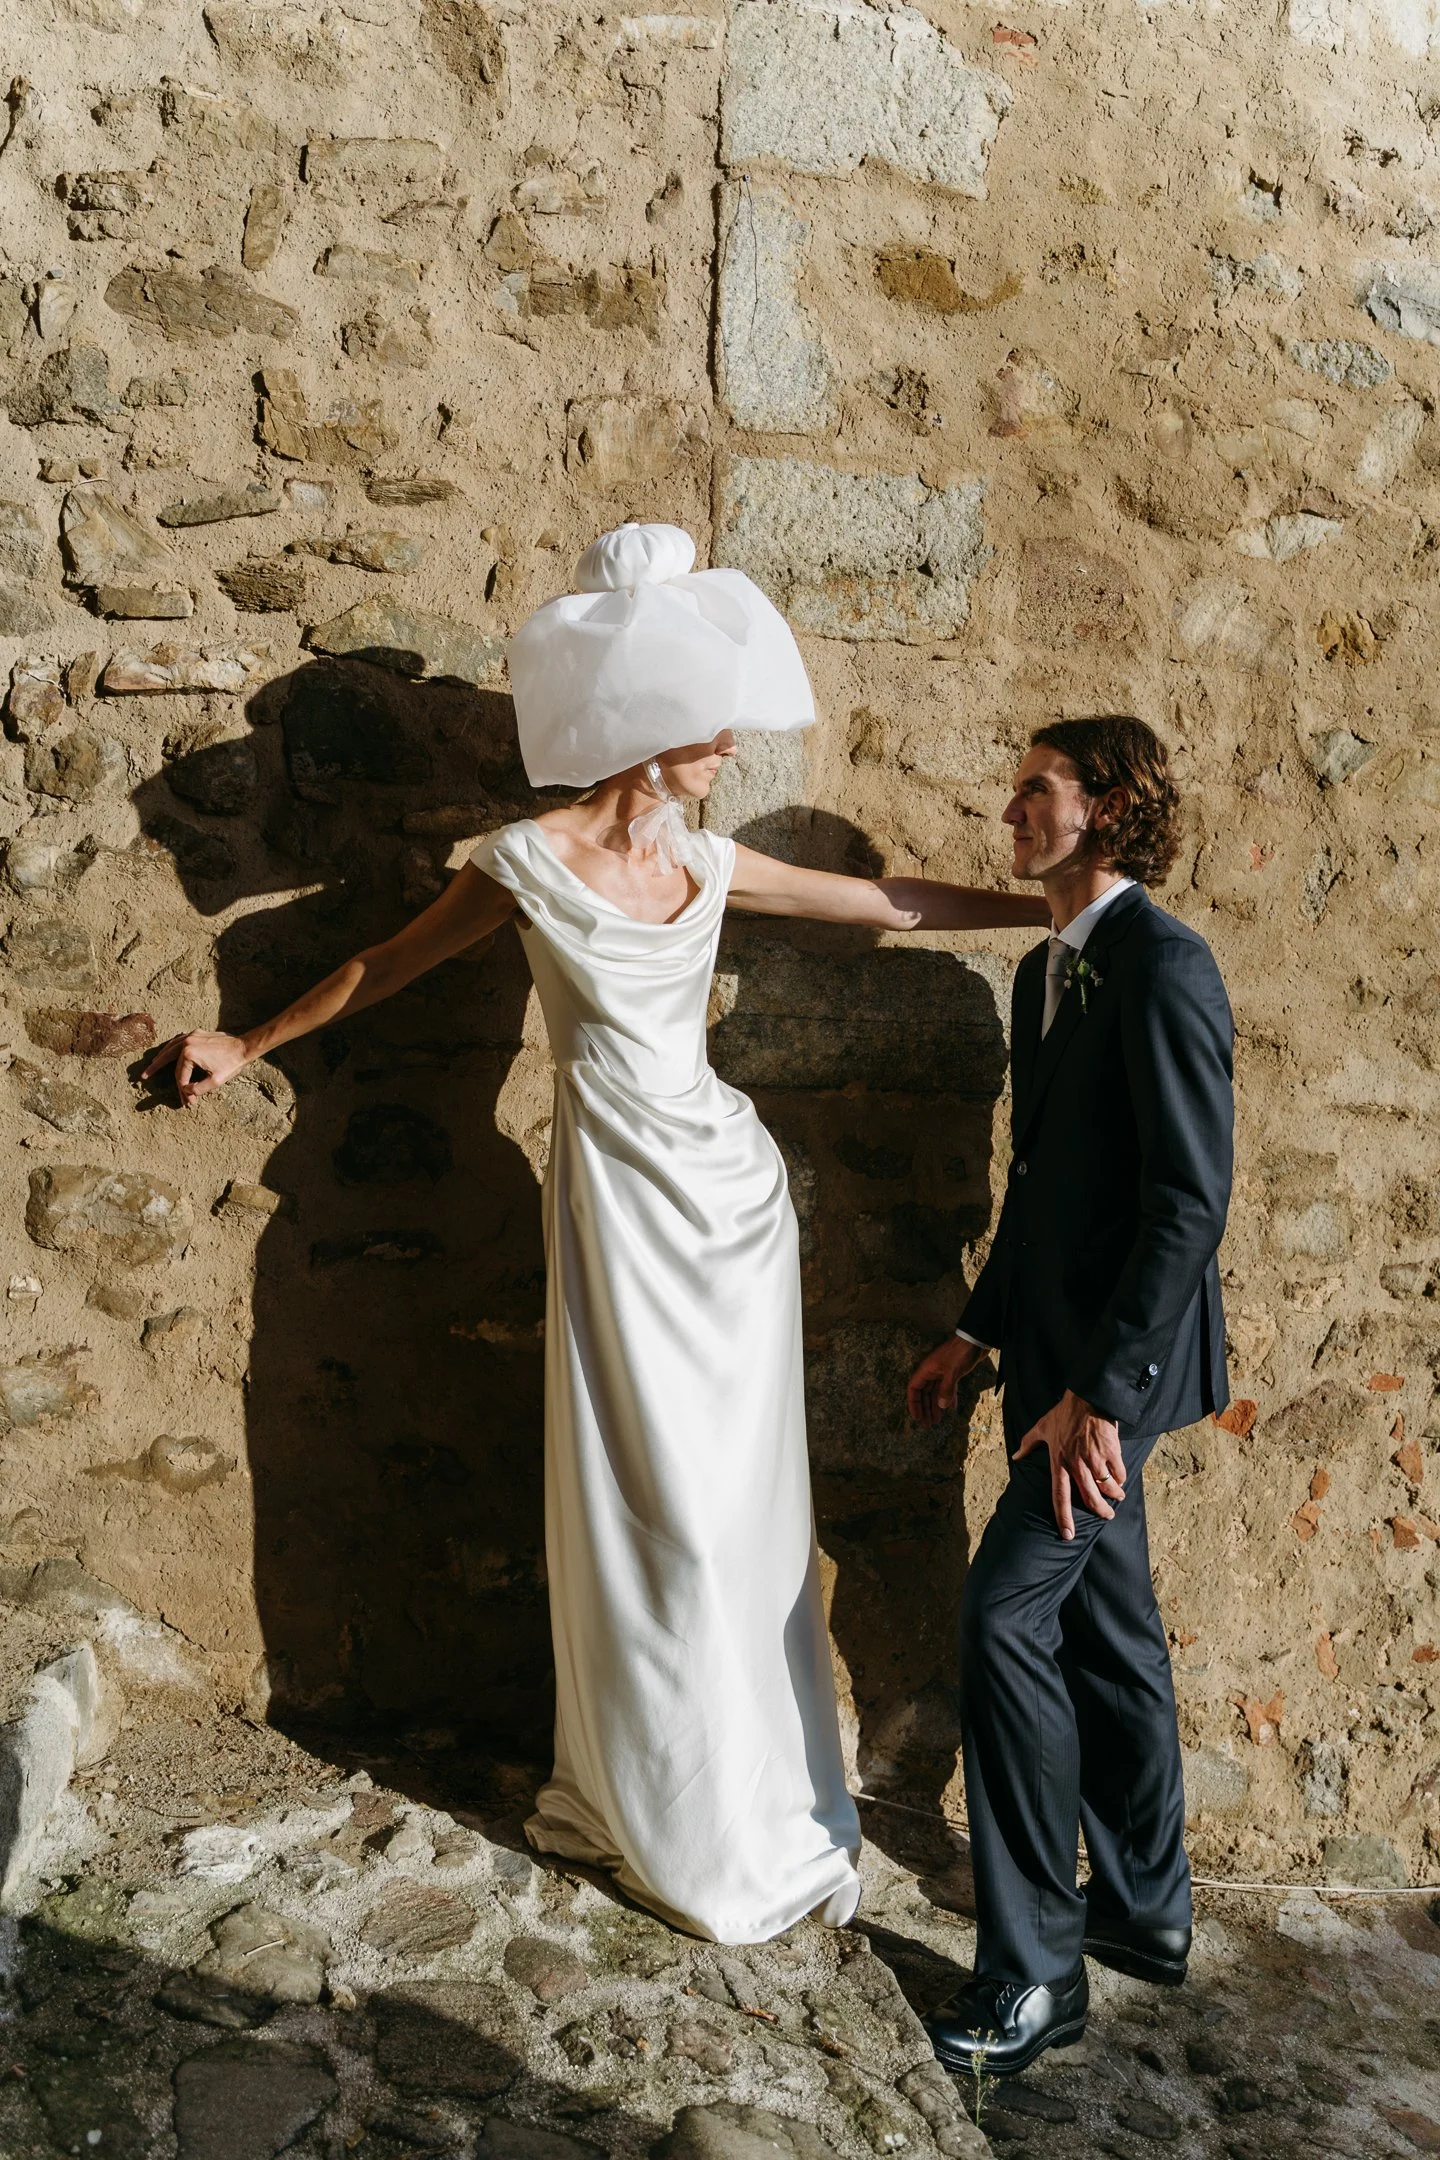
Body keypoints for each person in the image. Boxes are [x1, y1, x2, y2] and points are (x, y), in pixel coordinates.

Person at [144, 521, 1050, 1944]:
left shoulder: (706, 856)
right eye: (708, 727)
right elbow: (383, 964)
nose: (730, 747)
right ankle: (656, 1798)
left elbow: (885, 902)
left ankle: (752, 1797)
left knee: (744, 1519)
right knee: (656, 1510)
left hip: (727, 1203)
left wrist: (1052, 906)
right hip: (616, 1202)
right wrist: (245, 1038)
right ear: (647, 730)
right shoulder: (523, 862)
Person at [907, 716, 1234, 2074]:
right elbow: (1043, 1188)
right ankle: (1148, 1915)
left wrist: (1101, 1397)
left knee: (1002, 1616)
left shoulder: (1164, 967)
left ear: (1104, 807)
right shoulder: (1049, 975)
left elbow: (1186, 1202)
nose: (1009, 808)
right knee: (1104, 1627)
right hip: (1042, 1357)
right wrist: (976, 1334)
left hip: (1110, 1378)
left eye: (1032, 787)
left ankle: (1036, 1970)